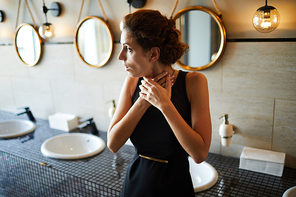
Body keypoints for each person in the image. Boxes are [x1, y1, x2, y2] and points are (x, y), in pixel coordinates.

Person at [107, 9, 212, 197]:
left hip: (176, 187)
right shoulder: (132, 82)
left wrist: (164, 104)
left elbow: (200, 154)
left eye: (128, 49)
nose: (120, 56)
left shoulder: (194, 82)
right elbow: (113, 144)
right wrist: (143, 102)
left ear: (153, 53)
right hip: (136, 184)